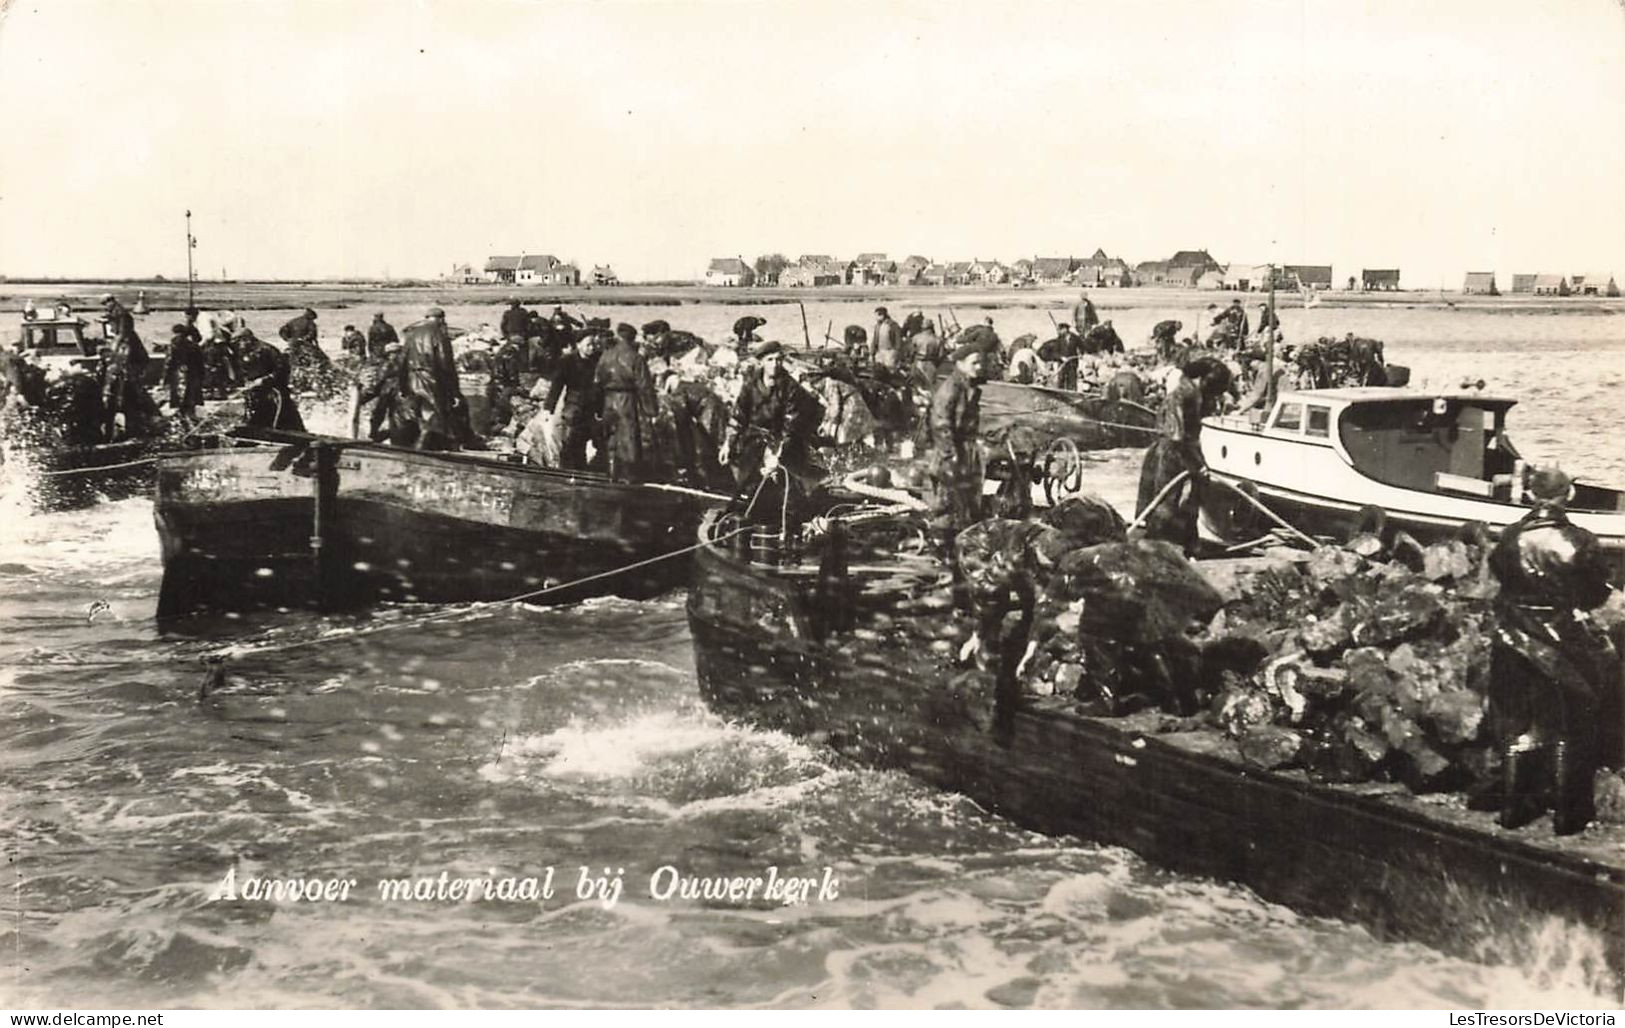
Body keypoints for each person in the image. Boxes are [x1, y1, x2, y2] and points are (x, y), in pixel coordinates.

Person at [1482, 467, 1621, 835]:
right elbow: (1596, 592)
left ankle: (1514, 807)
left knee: (1518, 722)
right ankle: (1568, 813)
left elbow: (1499, 575)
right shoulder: (1580, 541)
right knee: (1574, 723)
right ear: (1568, 494)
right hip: (1562, 639)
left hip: (1510, 635)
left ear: (1529, 494)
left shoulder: (1509, 538)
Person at [1135, 355, 1231, 555]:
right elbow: (1176, 436)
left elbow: (1190, 436)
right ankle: (1161, 550)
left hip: (1184, 453)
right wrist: (1195, 463)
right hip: (1170, 454)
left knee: (1188, 504)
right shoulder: (1181, 395)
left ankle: (1185, 547)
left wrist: (1199, 462)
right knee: (1167, 505)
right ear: (1203, 380)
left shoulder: (1193, 393)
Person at [720, 341, 823, 525]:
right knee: (750, 484)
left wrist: (777, 454)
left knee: (788, 487)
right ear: (761, 362)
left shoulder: (790, 387)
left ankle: (792, 525)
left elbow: (791, 425)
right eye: (770, 360)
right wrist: (728, 443)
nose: (775, 364)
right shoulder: (750, 385)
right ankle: (753, 521)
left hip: (784, 440)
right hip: (755, 440)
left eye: (778, 359)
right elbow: (738, 416)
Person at [925, 339, 991, 557]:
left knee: (968, 502)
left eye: (981, 363)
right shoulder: (951, 388)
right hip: (952, 453)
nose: (979, 367)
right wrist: (951, 457)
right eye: (975, 363)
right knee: (948, 504)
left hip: (967, 452)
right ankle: (941, 552)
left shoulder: (968, 387)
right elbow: (940, 424)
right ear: (960, 363)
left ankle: (961, 550)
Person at [594, 322, 660, 480]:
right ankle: (629, 477)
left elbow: (597, 382)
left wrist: (598, 407)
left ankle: (610, 474)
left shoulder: (605, 355)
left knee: (611, 438)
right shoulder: (636, 358)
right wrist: (651, 411)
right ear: (632, 338)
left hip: (608, 400)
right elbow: (644, 386)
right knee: (629, 438)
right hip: (627, 400)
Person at [399, 306, 468, 450]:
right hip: (431, 380)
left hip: (412, 378)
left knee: (417, 417)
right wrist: (454, 392)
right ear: (441, 319)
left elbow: (402, 360)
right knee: (435, 419)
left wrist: (402, 385)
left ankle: (414, 449)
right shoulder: (440, 334)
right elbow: (446, 364)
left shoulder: (412, 334)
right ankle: (428, 451)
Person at [543, 331, 604, 469]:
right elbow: (557, 385)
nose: (592, 348)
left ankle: (583, 469)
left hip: (592, 407)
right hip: (574, 405)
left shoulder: (597, 360)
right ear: (579, 344)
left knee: (586, 441)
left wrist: (600, 410)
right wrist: (548, 408)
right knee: (571, 441)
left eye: (594, 345)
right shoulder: (567, 361)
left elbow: (601, 387)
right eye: (588, 344)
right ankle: (567, 470)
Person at [236, 327, 304, 431]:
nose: (239, 345)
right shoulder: (245, 351)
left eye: (240, 342)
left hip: (274, 392)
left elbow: (283, 370)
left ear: (248, 339)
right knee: (255, 418)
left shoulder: (267, 349)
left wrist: (264, 380)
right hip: (256, 393)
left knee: (284, 419)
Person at [162, 321, 205, 423]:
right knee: (191, 397)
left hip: (178, 373)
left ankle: (182, 418)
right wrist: (202, 376)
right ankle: (191, 417)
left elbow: (169, 362)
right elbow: (200, 362)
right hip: (192, 374)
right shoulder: (193, 345)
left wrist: (165, 378)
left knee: (180, 397)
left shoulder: (173, 344)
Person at [1037, 323, 1080, 389]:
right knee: (1061, 380)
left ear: (1065, 329)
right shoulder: (1059, 340)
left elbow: (1082, 347)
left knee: (1072, 381)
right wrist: (1061, 357)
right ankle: (1060, 395)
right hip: (1062, 364)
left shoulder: (1075, 338)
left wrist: (1081, 354)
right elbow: (1055, 352)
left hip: (1072, 363)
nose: (1059, 331)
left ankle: (1072, 395)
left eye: (1060, 329)